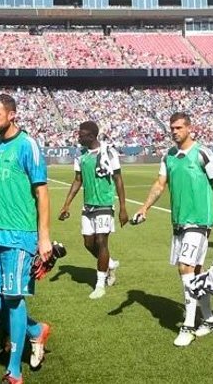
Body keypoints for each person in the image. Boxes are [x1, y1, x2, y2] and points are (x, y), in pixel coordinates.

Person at [0, 94, 54, 384]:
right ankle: (35, 330)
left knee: (12, 298)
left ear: (12, 115)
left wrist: (44, 238)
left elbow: (42, 193)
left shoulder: (27, 145)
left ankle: (14, 372)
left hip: (20, 235)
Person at [133, 112, 213, 347]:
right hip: (178, 222)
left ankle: (188, 326)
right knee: (195, 272)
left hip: (199, 221)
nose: (175, 132)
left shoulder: (203, 153)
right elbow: (160, 184)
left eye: (178, 128)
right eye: (172, 128)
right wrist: (145, 207)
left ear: (189, 128)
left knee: (185, 267)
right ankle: (208, 319)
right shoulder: (169, 156)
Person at [57, 121, 128, 299]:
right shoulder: (80, 155)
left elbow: (118, 179)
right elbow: (77, 180)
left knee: (102, 241)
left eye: (81, 135)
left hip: (105, 204)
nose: (78, 138)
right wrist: (66, 204)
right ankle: (110, 264)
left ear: (91, 136)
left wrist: (122, 208)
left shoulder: (109, 152)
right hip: (88, 206)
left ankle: (100, 285)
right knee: (89, 243)